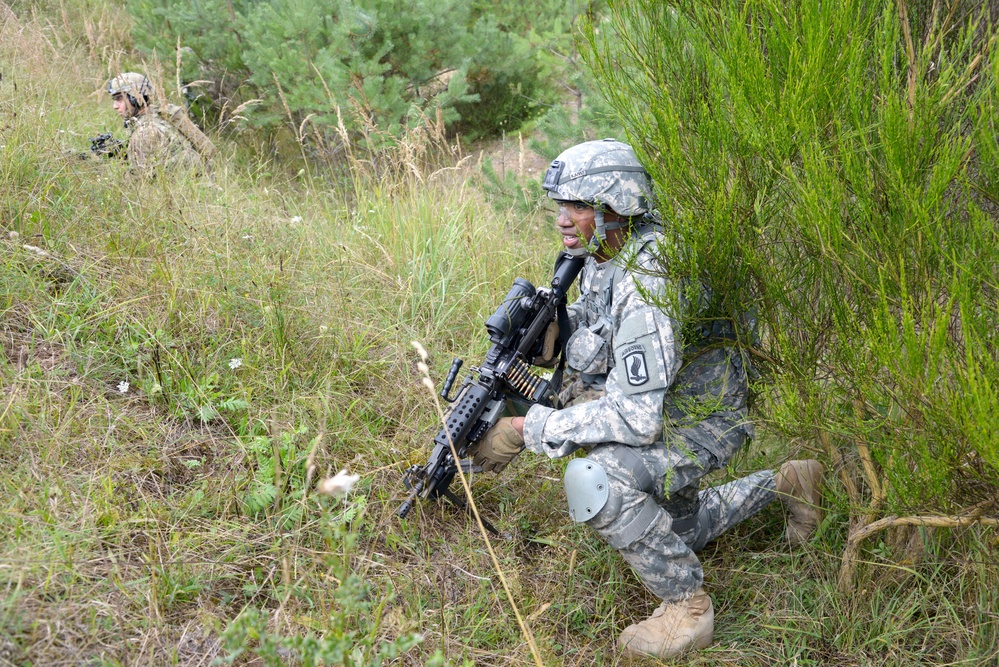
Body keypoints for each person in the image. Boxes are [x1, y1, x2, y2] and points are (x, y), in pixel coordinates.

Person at [467, 139, 825, 659]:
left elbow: (636, 420)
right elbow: (600, 358)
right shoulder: (601, 256)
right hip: (667, 405)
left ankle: (687, 608)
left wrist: (528, 430)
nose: (564, 219)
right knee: (681, 528)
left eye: (580, 206)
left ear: (617, 208)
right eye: (561, 206)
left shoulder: (648, 279)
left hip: (699, 421)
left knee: (601, 480)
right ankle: (786, 482)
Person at [106, 72, 203, 175]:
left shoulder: (145, 132)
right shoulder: (157, 114)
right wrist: (122, 153)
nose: (115, 106)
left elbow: (140, 181)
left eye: (119, 99)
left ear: (135, 98)